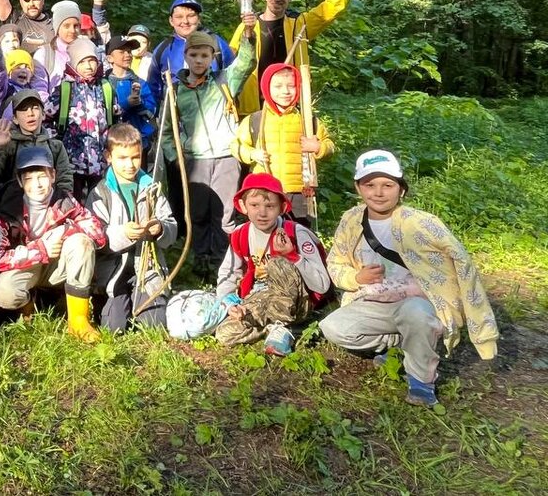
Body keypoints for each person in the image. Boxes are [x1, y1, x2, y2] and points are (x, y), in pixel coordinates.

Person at [320, 150, 498, 407]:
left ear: (401, 189)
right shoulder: (351, 220)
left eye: (388, 185)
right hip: (371, 300)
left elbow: (461, 263)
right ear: (358, 188)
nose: (379, 192)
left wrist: (475, 319)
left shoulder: (423, 223)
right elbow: (335, 262)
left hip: (418, 303)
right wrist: (355, 277)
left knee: (416, 314)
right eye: (370, 185)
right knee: (333, 328)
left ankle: (421, 379)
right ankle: (397, 342)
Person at [162, 22, 256, 277]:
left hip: (226, 156)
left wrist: (248, 35)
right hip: (195, 161)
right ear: (186, 56)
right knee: (198, 212)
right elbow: (168, 128)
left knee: (225, 214)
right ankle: (201, 258)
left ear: (213, 57)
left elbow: (246, 63)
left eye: (205, 55)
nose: (199, 60)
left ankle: (224, 261)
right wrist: (175, 156)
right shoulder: (176, 89)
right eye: (194, 55)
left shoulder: (224, 81)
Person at [0, 146, 107, 343]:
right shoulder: (8, 207)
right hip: (27, 266)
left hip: (56, 267)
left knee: (81, 242)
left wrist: (64, 231)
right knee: (3, 293)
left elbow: (97, 233)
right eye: (29, 179)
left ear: (52, 175)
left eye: (42, 176)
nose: (37, 184)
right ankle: (28, 305)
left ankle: (78, 320)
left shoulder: (65, 200)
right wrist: (40, 249)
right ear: (19, 181)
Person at [213, 173, 330, 355]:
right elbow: (228, 274)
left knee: (277, 265)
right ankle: (278, 329)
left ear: (282, 207)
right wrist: (229, 303)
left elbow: (322, 285)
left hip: (298, 300)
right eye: (254, 205)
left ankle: (283, 324)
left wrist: (292, 256)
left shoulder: (296, 233)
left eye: (270, 206)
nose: (262, 213)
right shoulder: (240, 234)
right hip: (261, 297)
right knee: (225, 334)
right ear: (243, 206)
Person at [229, 0, 348, 116]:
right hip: (252, 104)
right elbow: (229, 59)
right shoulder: (248, 25)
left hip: (288, 103)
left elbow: (332, 7)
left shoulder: (300, 24)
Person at [87, 124, 176, 332]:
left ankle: (143, 300)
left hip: (146, 268)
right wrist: (123, 234)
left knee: (156, 325)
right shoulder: (100, 193)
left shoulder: (151, 188)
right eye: (122, 158)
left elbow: (171, 225)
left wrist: (160, 229)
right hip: (112, 272)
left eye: (135, 157)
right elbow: (94, 237)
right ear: (108, 156)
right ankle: (111, 303)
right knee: (114, 328)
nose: (130, 165)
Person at [232, 63, 333, 224]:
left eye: (291, 86)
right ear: (266, 89)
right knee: (267, 232)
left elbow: (330, 146)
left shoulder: (308, 121)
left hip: (299, 191)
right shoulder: (255, 120)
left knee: (298, 232)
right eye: (278, 86)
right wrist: (252, 153)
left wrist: (319, 148)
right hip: (264, 191)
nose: (285, 91)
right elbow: (236, 146)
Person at [0, 89, 73, 222]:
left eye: (35, 108)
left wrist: (62, 204)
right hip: (14, 214)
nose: (30, 114)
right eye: (23, 110)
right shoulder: (8, 145)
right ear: (15, 118)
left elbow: (65, 180)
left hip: (50, 213)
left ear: (43, 114)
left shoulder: (56, 146)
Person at [143, 0, 234, 109]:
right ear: (171, 21)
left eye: (191, 16)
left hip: (214, 114)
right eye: (179, 17)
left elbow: (234, 77)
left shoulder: (216, 43)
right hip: (177, 117)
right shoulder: (163, 50)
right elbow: (154, 89)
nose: (185, 21)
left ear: (199, 18)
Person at [56, 37, 118, 198]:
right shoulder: (65, 89)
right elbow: (46, 116)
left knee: (99, 200)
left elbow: (116, 117)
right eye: (82, 62)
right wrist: (56, 144)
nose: (88, 66)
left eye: (92, 60)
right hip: (72, 160)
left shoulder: (105, 87)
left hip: (100, 160)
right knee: (72, 200)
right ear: (74, 63)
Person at [106, 38, 157, 158]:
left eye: (129, 51)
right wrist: (126, 104)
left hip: (138, 140)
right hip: (112, 141)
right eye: (121, 52)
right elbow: (104, 111)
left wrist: (140, 103)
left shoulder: (140, 82)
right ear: (110, 58)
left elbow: (152, 109)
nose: (127, 55)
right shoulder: (104, 84)